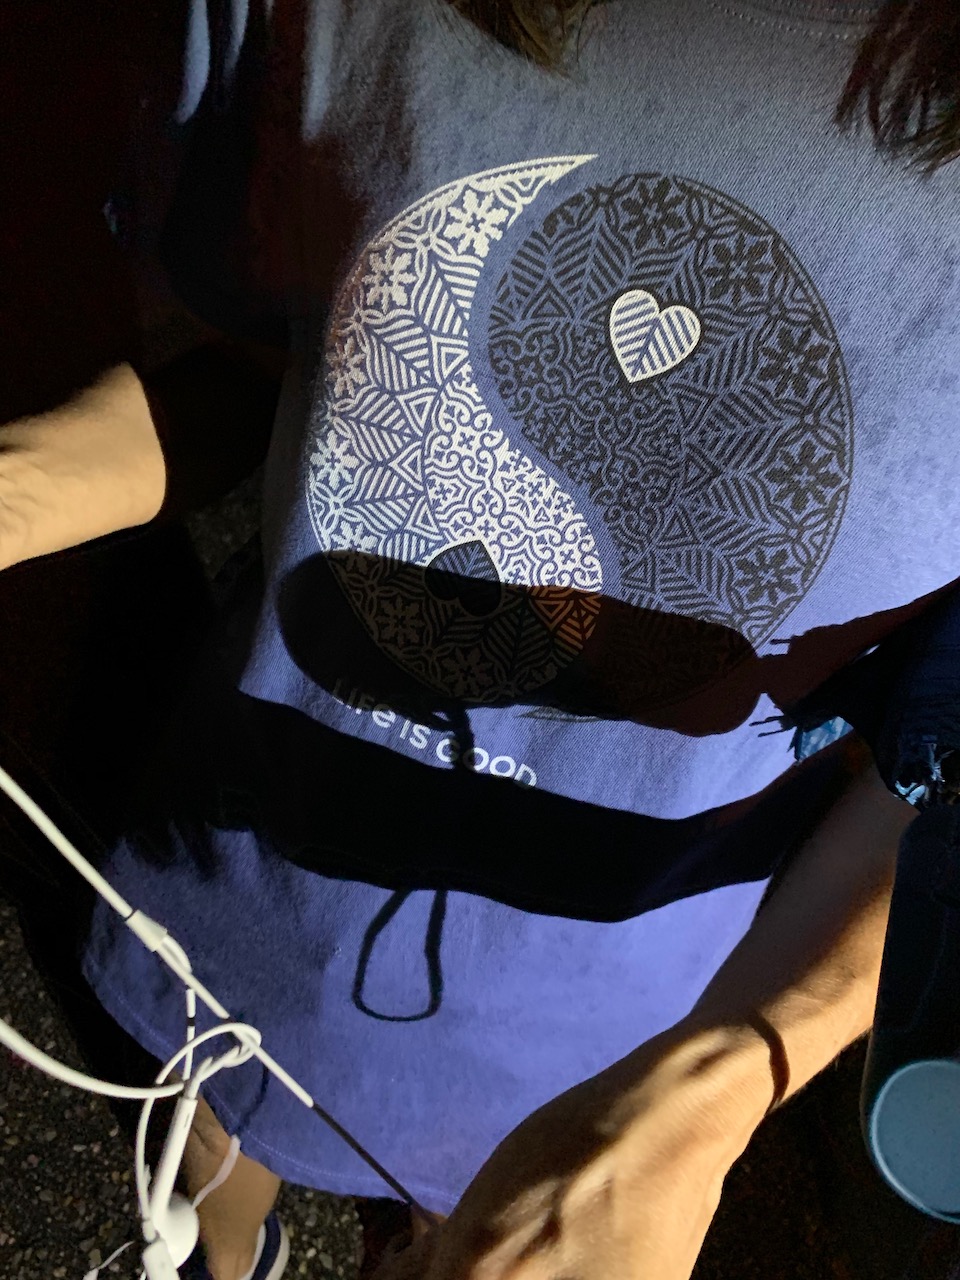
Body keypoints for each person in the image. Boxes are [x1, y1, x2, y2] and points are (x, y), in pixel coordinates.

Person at [2, 2, 958, 1278]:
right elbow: (272, 361)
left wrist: (705, 1095)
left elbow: (936, 778)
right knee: (206, 1173)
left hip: (602, 1051)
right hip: (222, 907)